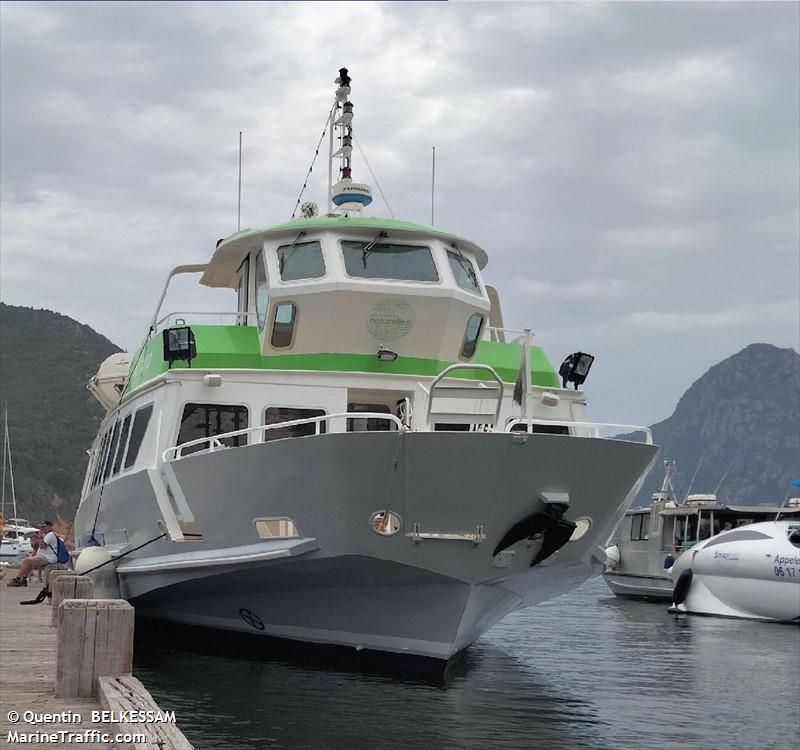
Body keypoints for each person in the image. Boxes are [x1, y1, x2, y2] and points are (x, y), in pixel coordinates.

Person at [6, 521, 59, 587]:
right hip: (45, 556)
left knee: (26, 561)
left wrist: (40, 536)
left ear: (49, 527)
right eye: (41, 527)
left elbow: (42, 546)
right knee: (30, 561)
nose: (41, 529)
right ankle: (24, 579)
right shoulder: (48, 535)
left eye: (43, 527)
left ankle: (18, 579)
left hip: (48, 558)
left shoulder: (50, 535)